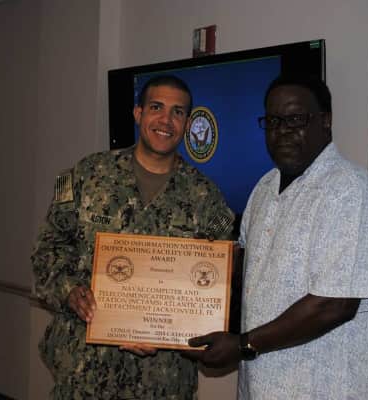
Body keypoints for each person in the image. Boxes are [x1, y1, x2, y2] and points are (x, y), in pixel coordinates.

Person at [185, 75, 368, 399]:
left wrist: (242, 344)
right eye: (273, 121)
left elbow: (334, 304)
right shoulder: (264, 187)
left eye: (295, 119)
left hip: (326, 389)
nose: (282, 131)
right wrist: (194, 275)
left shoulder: (351, 190)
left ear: (325, 121)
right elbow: (248, 273)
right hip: (262, 386)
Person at [31, 74, 234, 399]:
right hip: (84, 373)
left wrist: (165, 325)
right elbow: (47, 250)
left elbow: (216, 283)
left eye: (178, 112)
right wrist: (71, 292)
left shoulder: (207, 198)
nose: (166, 120)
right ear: (138, 114)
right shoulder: (85, 174)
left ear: (186, 124)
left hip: (163, 380)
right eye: (156, 107)